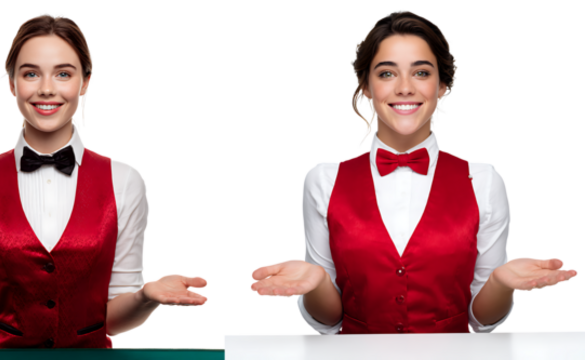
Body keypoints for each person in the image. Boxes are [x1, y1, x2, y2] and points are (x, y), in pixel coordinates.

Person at [0, 11, 209, 348]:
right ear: (12, 84)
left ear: (85, 83)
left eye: (63, 74)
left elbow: (115, 322)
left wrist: (146, 297)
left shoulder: (126, 181)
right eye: (31, 74)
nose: (46, 89)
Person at [247, 9, 578, 334]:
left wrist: (501, 284)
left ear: (442, 85)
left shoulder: (484, 181)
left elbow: (480, 320)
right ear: (365, 87)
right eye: (386, 73)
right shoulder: (323, 180)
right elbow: (330, 320)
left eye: (421, 72)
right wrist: (317, 283)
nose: (405, 88)